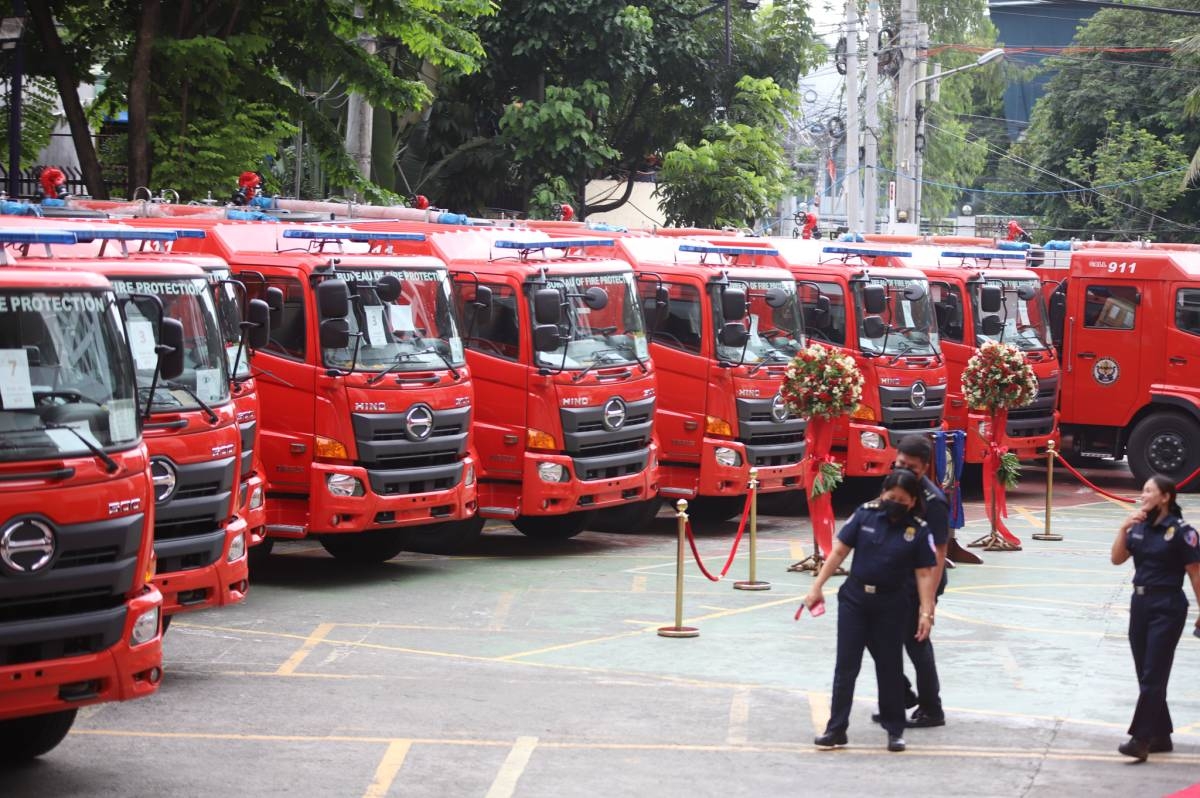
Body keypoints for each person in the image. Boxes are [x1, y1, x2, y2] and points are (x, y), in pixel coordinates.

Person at [804, 469, 940, 753]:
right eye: (891, 497)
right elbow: (839, 552)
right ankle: (836, 729)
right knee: (846, 667)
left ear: (913, 501)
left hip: (892, 605)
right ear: (882, 495)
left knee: (889, 667)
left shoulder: (917, 529)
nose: (895, 503)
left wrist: (926, 612)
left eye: (902, 500)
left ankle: (894, 730)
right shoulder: (864, 515)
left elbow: (925, 574)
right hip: (855, 601)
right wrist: (817, 587)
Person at [1111, 475, 1200, 761]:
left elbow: (1195, 573)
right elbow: (1117, 558)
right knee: (1144, 671)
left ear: (1166, 497)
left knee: (1154, 673)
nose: (1144, 495)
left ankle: (1141, 739)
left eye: (1150, 491)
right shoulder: (1138, 527)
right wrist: (1124, 527)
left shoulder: (1183, 532)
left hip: (1167, 604)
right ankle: (1161, 734)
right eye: (1143, 490)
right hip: (1140, 603)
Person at [890, 436, 950, 728]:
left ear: (924, 469)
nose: (903, 470)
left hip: (923, 580)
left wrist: (929, 603)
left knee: (916, 643)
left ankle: (931, 708)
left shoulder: (933, 502)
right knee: (878, 638)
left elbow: (938, 554)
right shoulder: (894, 486)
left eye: (911, 467)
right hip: (895, 577)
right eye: (900, 463)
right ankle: (901, 694)